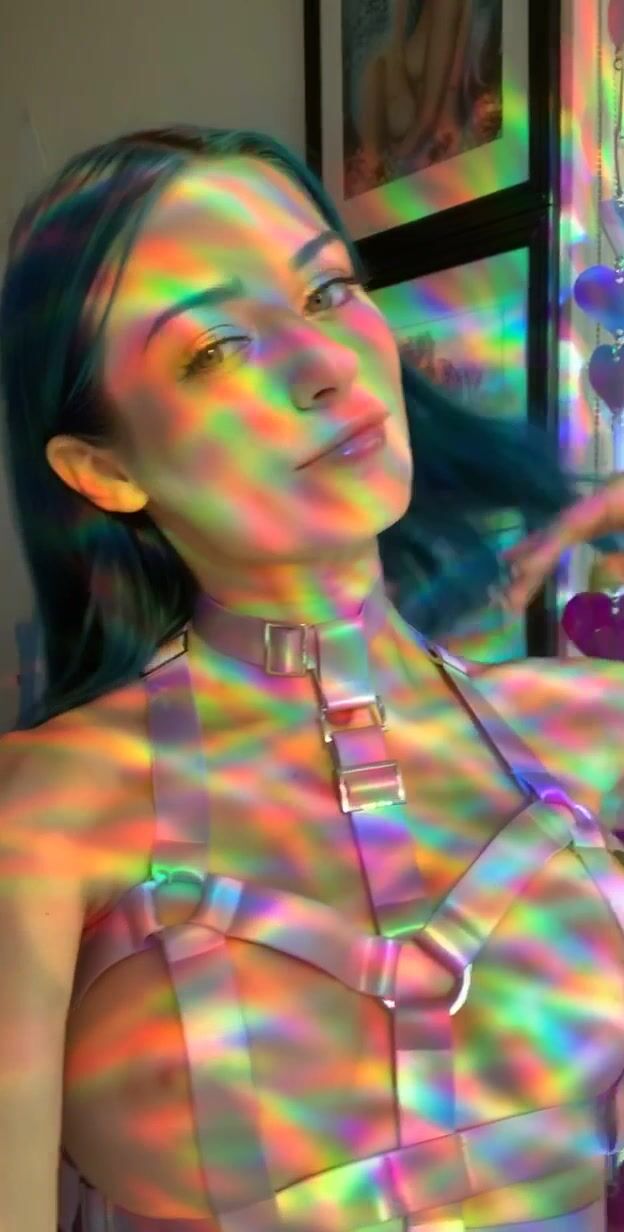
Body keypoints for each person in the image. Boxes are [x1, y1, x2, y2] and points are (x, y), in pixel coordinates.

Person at [1, 124, 624, 1232]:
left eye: (328, 292)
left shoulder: (586, 729)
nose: (323, 364)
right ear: (103, 469)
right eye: (213, 348)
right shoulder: (49, 812)